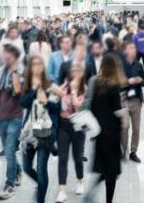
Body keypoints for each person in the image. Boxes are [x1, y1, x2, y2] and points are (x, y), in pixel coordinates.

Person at [84, 54, 127, 203]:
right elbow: (117, 112)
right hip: (112, 134)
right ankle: (109, 201)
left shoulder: (96, 84)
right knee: (112, 170)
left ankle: (93, 189)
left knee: (103, 166)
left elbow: (91, 107)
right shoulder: (114, 86)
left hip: (99, 132)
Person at [19, 56, 61, 203]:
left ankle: (41, 199)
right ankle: (42, 186)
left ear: (43, 68)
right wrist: (33, 90)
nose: (37, 67)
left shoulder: (51, 85)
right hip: (30, 132)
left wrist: (46, 102)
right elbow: (23, 103)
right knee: (26, 167)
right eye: (34, 65)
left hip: (47, 132)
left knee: (41, 169)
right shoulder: (27, 85)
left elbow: (58, 108)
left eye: (39, 64)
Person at [0, 44, 24, 200]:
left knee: (9, 151)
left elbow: (17, 91)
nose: (3, 57)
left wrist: (14, 70)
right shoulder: (0, 72)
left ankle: (9, 185)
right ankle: (18, 171)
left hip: (16, 117)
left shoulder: (22, 71)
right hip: (2, 117)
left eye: (6, 55)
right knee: (9, 151)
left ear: (14, 57)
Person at [55, 64, 87, 203]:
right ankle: (62, 190)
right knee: (62, 158)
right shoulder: (63, 86)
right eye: (72, 71)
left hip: (78, 125)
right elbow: (54, 102)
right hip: (63, 125)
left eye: (77, 71)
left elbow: (78, 107)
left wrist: (73, 91)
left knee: (77, 157)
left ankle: (80, 181)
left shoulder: (84, 89)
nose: (74, 74)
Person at [122, 41, 144, 163]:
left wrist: (140, 80)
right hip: (124, 99)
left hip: (137, 99)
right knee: (125, 126)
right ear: (126, 50)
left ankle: (133, 151)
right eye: (130, 48)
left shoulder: (138, 65)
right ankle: (123, 150)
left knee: (136, 128)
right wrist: (128, 81)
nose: (133, 50)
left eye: (134, 48)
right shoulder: (121, 65)